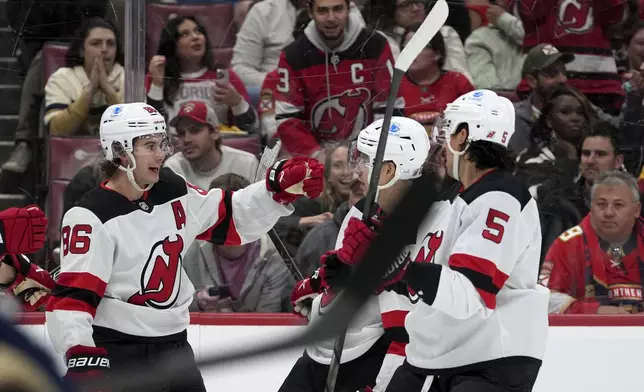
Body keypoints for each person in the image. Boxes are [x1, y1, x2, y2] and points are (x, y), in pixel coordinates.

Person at [44, 102, 324, 392]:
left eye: (162, 142)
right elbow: (72, 298)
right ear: (119, 151)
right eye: (149, 145)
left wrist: (274, 191)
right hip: (119, 350)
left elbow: (230, 217)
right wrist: (79, 352)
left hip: (175, 347)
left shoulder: (172, 188)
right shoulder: (90, 216)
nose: (162, 152)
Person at [324, 90, 547, 392]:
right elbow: (428, 284)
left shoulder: (499, 196)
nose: (442, 142)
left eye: (449, 128)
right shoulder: (461, 200)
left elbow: (470, 295)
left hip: (491, 361)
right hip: (442, 356)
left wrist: (399, 272)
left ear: (464, 136)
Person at [282, 116, 433, 392]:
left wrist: (385, 382)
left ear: (389, 169)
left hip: (369, 356)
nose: (356, 172)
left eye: (366, 162)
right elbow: (343, 264)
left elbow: (408, 319)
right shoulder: (361, 209)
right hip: (321, 353)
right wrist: (319, 285)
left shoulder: (426, 222)